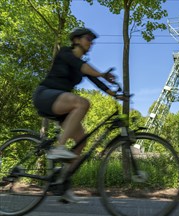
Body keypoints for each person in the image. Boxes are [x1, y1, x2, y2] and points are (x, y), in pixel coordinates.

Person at [32, 27, 123, 203]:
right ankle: (59, 147)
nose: (91, 42)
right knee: (82, 103)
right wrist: (103, 74)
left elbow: (96, 81)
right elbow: (85, 68)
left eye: (92, 40)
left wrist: (116, 95)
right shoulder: (66, 53)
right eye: (88, 38)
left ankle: (62, 184)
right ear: (76, 40)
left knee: (82, 141)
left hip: (60, 105)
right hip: (45, 95)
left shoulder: (81, 64)